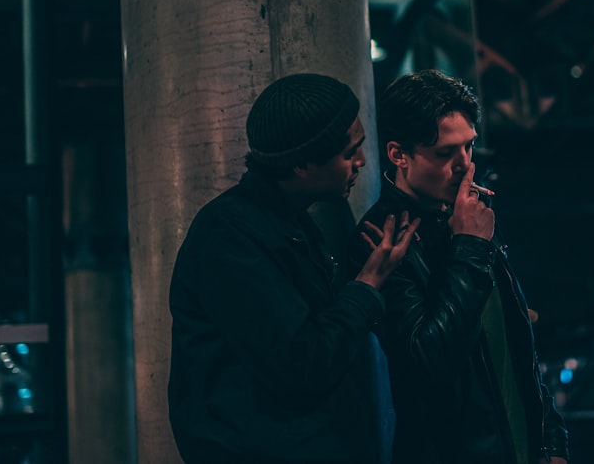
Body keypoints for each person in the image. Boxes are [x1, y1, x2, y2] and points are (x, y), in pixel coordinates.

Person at [168, 72, 420, 464]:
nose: (362, 162)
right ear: (302, 164)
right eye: (348, 153)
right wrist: (369, 282)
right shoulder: (229, 237)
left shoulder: (290, 219)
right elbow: (301, 368)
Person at [353, 69, 569, 464]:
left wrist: (552, 442)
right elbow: (426, 364)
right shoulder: (382, 238)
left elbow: (514, 339)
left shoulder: (470, 212)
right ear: (399, 153)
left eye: (468, 147)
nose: (465, 165)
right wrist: (469, 246)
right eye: (444, 153)